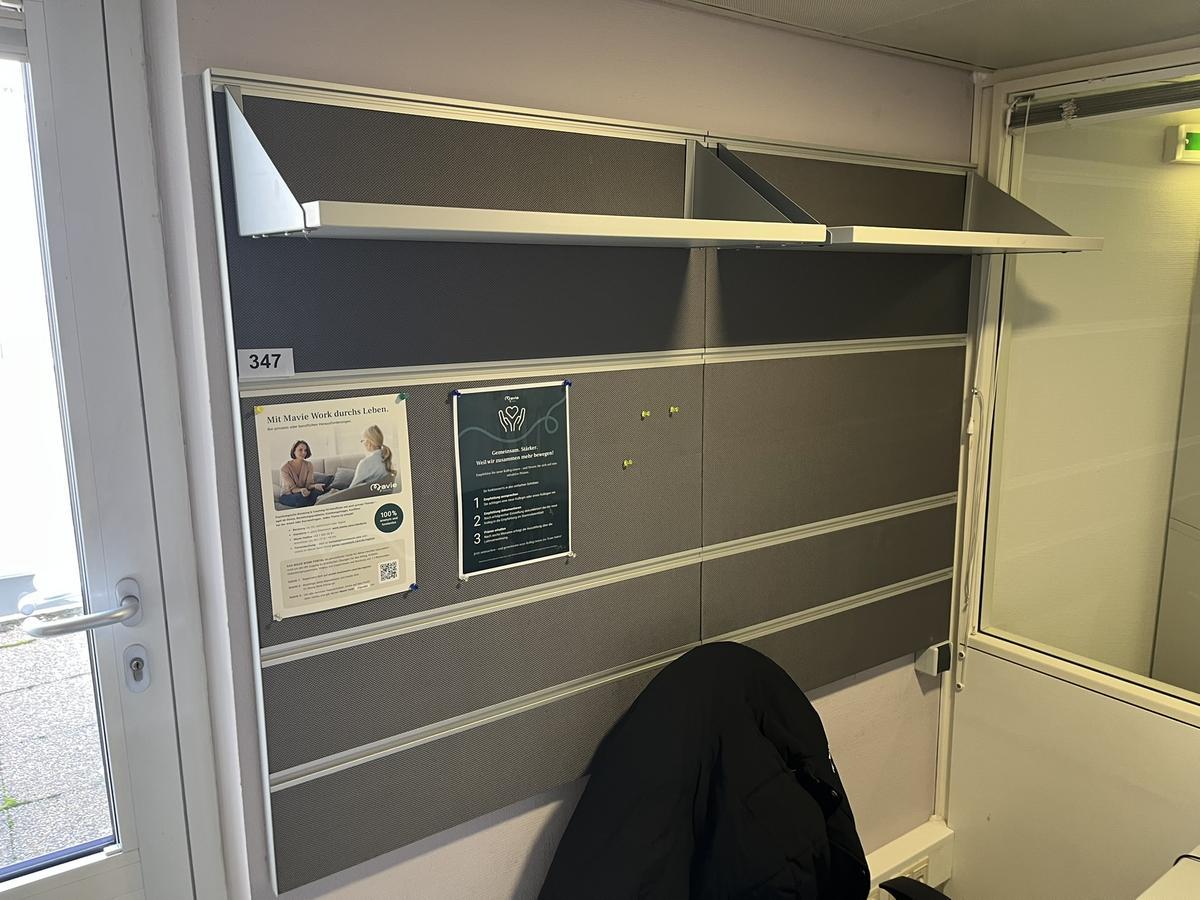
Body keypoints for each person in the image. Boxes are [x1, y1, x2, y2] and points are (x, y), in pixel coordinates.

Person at [278, 440, 326, 508]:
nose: (303, 452)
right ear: (294, 451)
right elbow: (292, 489)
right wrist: (301, 490)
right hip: (289, 495)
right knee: (299, 498)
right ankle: (310, 502)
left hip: (305, 493)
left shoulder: (309, 465)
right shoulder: (285, 468)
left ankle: (308, 502)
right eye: (300, 450)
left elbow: (308, 485)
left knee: (319, 491)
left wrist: (315, 486)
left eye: (305, 450)